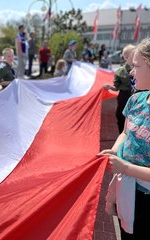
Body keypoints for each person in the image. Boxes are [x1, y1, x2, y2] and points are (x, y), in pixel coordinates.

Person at [97, 38, 150, 239]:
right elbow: (125, 133)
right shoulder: (136, 100)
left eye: (136, 66)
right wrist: (115, 149)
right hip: (127, 190)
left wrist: (125, 167)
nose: (131, 71)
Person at [103, 44, 136, 133]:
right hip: (124, 96)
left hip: (137, 96)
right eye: (134, 54)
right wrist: (109, 87)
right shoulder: (121, 71)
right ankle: (122, 135)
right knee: (121, 116)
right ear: (126, 57)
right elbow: (116, 87)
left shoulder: (140, 68)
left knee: (135, 118)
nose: (136, 56)